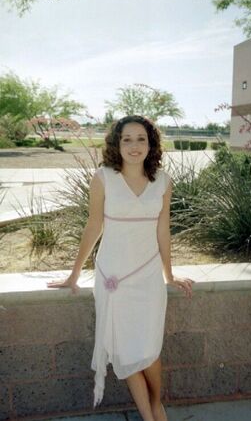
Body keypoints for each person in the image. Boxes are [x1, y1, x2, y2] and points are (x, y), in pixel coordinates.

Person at [47, 115, 194, 421]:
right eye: (126, 139)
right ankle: (150, 415)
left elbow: (163, 231)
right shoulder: (103, 178)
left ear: (151, 143)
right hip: (113, 277)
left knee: (149, 351)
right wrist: (74, 274)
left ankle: (157, 405)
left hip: (149, 278)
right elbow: (93, 226)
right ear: (116, 143)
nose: (134, 145)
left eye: (141, 138)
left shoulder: (163, 181)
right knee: (126, 352)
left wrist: (170, 274)